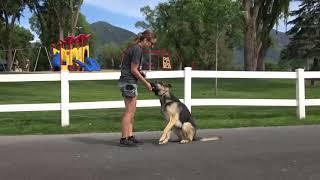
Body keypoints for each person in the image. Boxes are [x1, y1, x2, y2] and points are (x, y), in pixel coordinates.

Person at [118, 30, 157, 147]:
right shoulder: (137, 49)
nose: (152, 46)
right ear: (146, 40)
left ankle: (129, 136)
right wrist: (146, 83)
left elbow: (134, 68)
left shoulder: (136, 48)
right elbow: (133, 70)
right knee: (129, 112)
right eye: (152, 43)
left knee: (132, 111)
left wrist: (141, 73)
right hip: (128, 82)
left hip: (129, 81)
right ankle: (124, 138)